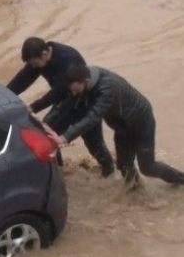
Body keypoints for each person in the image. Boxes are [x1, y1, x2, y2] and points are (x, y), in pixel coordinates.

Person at [45, 63, 184, 188]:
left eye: (76, 90)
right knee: (123, 165)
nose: (74, 93)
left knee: (147, 167)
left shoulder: (107, 89)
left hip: (141, 122)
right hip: (122, 124)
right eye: (72, 90)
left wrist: (65, 137)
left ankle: (180, 180)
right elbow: (65, 102)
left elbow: (93, 117)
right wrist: (45, 123)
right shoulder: (82, 82)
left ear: (86, 81)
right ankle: (137, 193)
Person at [7, 37, 115, 177]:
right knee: (47, 135)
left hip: (84, 102)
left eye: (34, 63)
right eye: (31, 64)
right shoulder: (39, 59)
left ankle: (110, 172)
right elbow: (22, 79)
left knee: (94, 144)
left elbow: (60, 90)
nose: (33, 67)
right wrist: (3, 94)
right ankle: (59, 172)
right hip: (64, 103)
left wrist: (34, 107)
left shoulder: (67, 58)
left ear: (45, 53)